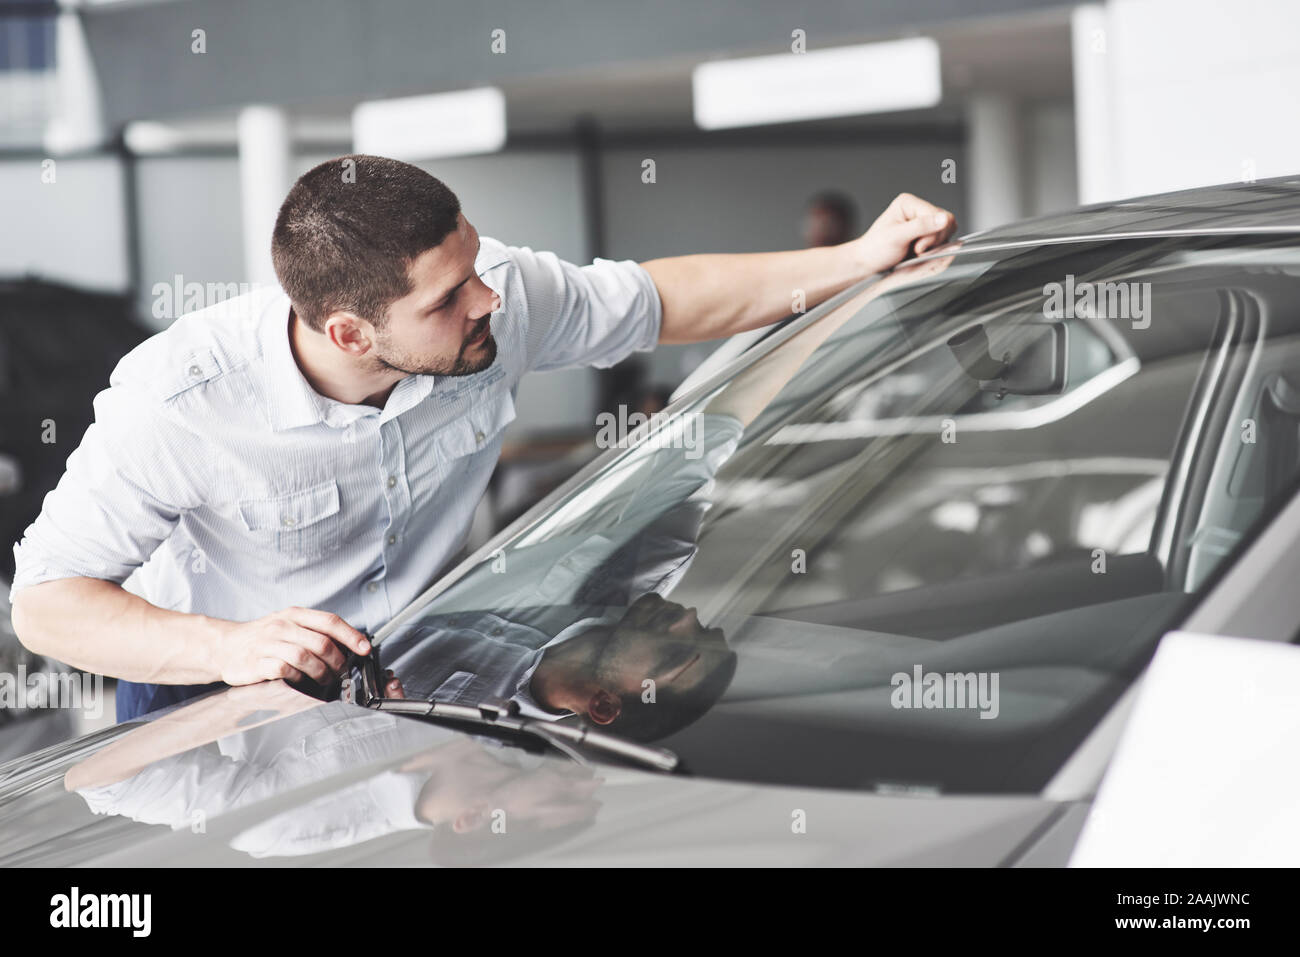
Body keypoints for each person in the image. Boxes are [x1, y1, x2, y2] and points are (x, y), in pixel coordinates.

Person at [9, 151, 955, 721]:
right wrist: (228, 647)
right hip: (208, 693)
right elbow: (46, 605)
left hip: (408, 678)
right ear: (349, 332)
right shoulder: (179, 400)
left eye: (476, 263)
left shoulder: (491, 297)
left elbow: (664, 301)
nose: (490, 298)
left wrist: (858, 258)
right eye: (451, 294)